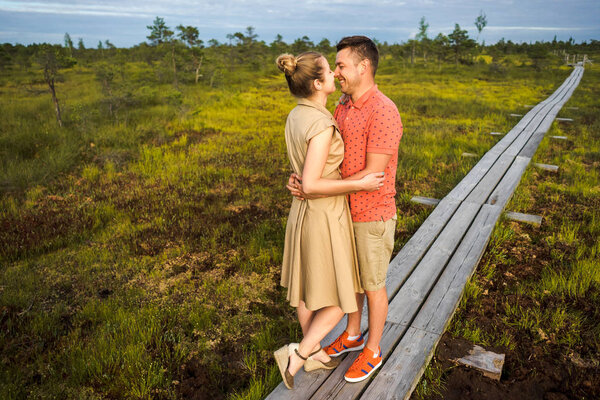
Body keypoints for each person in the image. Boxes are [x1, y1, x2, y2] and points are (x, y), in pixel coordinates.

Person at [287, 36, 403, 383]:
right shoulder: (342, 105)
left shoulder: (383, 110)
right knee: (349, 282)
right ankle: (352, 333)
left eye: (342, 65)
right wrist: (300, 180)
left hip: (371, 212)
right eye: (334, 66)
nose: (337, 73)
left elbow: (373, 174)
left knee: (371, 283)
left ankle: (373, 349)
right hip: (340, 210)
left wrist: (314, 186)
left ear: (363, 67)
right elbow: (321, 159)